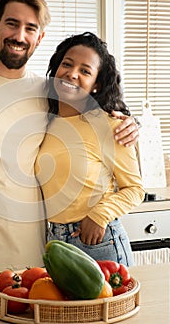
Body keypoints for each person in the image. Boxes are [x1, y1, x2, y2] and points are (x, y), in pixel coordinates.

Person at [0, 0, 139, 288]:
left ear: (40, 38)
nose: (19, 35)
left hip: (41, 259)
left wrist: (131, 121)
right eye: (12, 23)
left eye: (30, 28)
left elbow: (93, 115)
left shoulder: (47, 92)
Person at [35, 32, 145, 266]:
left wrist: (100, 215)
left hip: (98, 241)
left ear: (96, 84)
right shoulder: (46, 121)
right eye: (67, 64)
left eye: (85, 71)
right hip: (55, 243)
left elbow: (135, 188)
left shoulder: (111, 126)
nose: (72, 74)